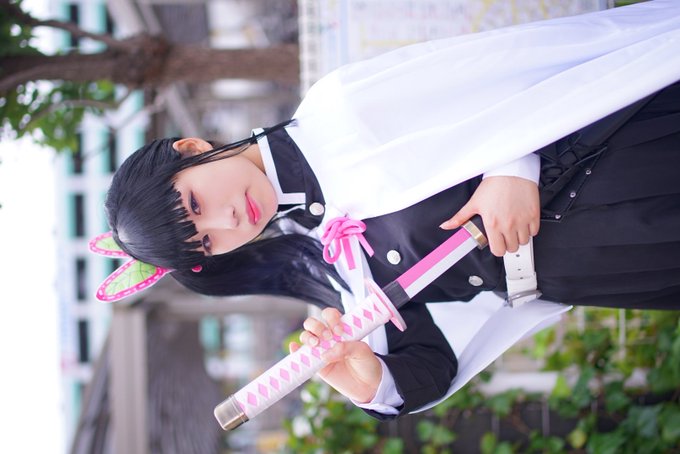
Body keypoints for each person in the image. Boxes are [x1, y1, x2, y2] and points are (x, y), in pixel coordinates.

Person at [98, 1, 680, 419]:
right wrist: (371, 381)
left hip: (613, 166)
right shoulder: (336, 273)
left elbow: (505, 73)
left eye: (196, 203)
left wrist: (512, 166)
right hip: (615, 267)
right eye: (205, 241)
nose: (226, 221)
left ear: (191, 150)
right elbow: (432, 362)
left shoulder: (339, 109)